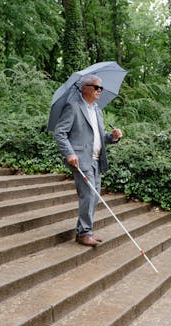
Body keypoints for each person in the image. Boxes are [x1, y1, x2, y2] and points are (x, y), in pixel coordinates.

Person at [54, 74, 123, 246]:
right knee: (88, 195)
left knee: (95, 196)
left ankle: (84, 231)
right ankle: (84, 233)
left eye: (101, 88)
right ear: (84, 88)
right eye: (96, 87)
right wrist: (69, 153)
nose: (99, 90)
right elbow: (60, 133)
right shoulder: (73, 107)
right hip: (80, 160)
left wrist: (113, 137)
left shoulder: (97, 110)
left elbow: (100, 137)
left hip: (96, 161)